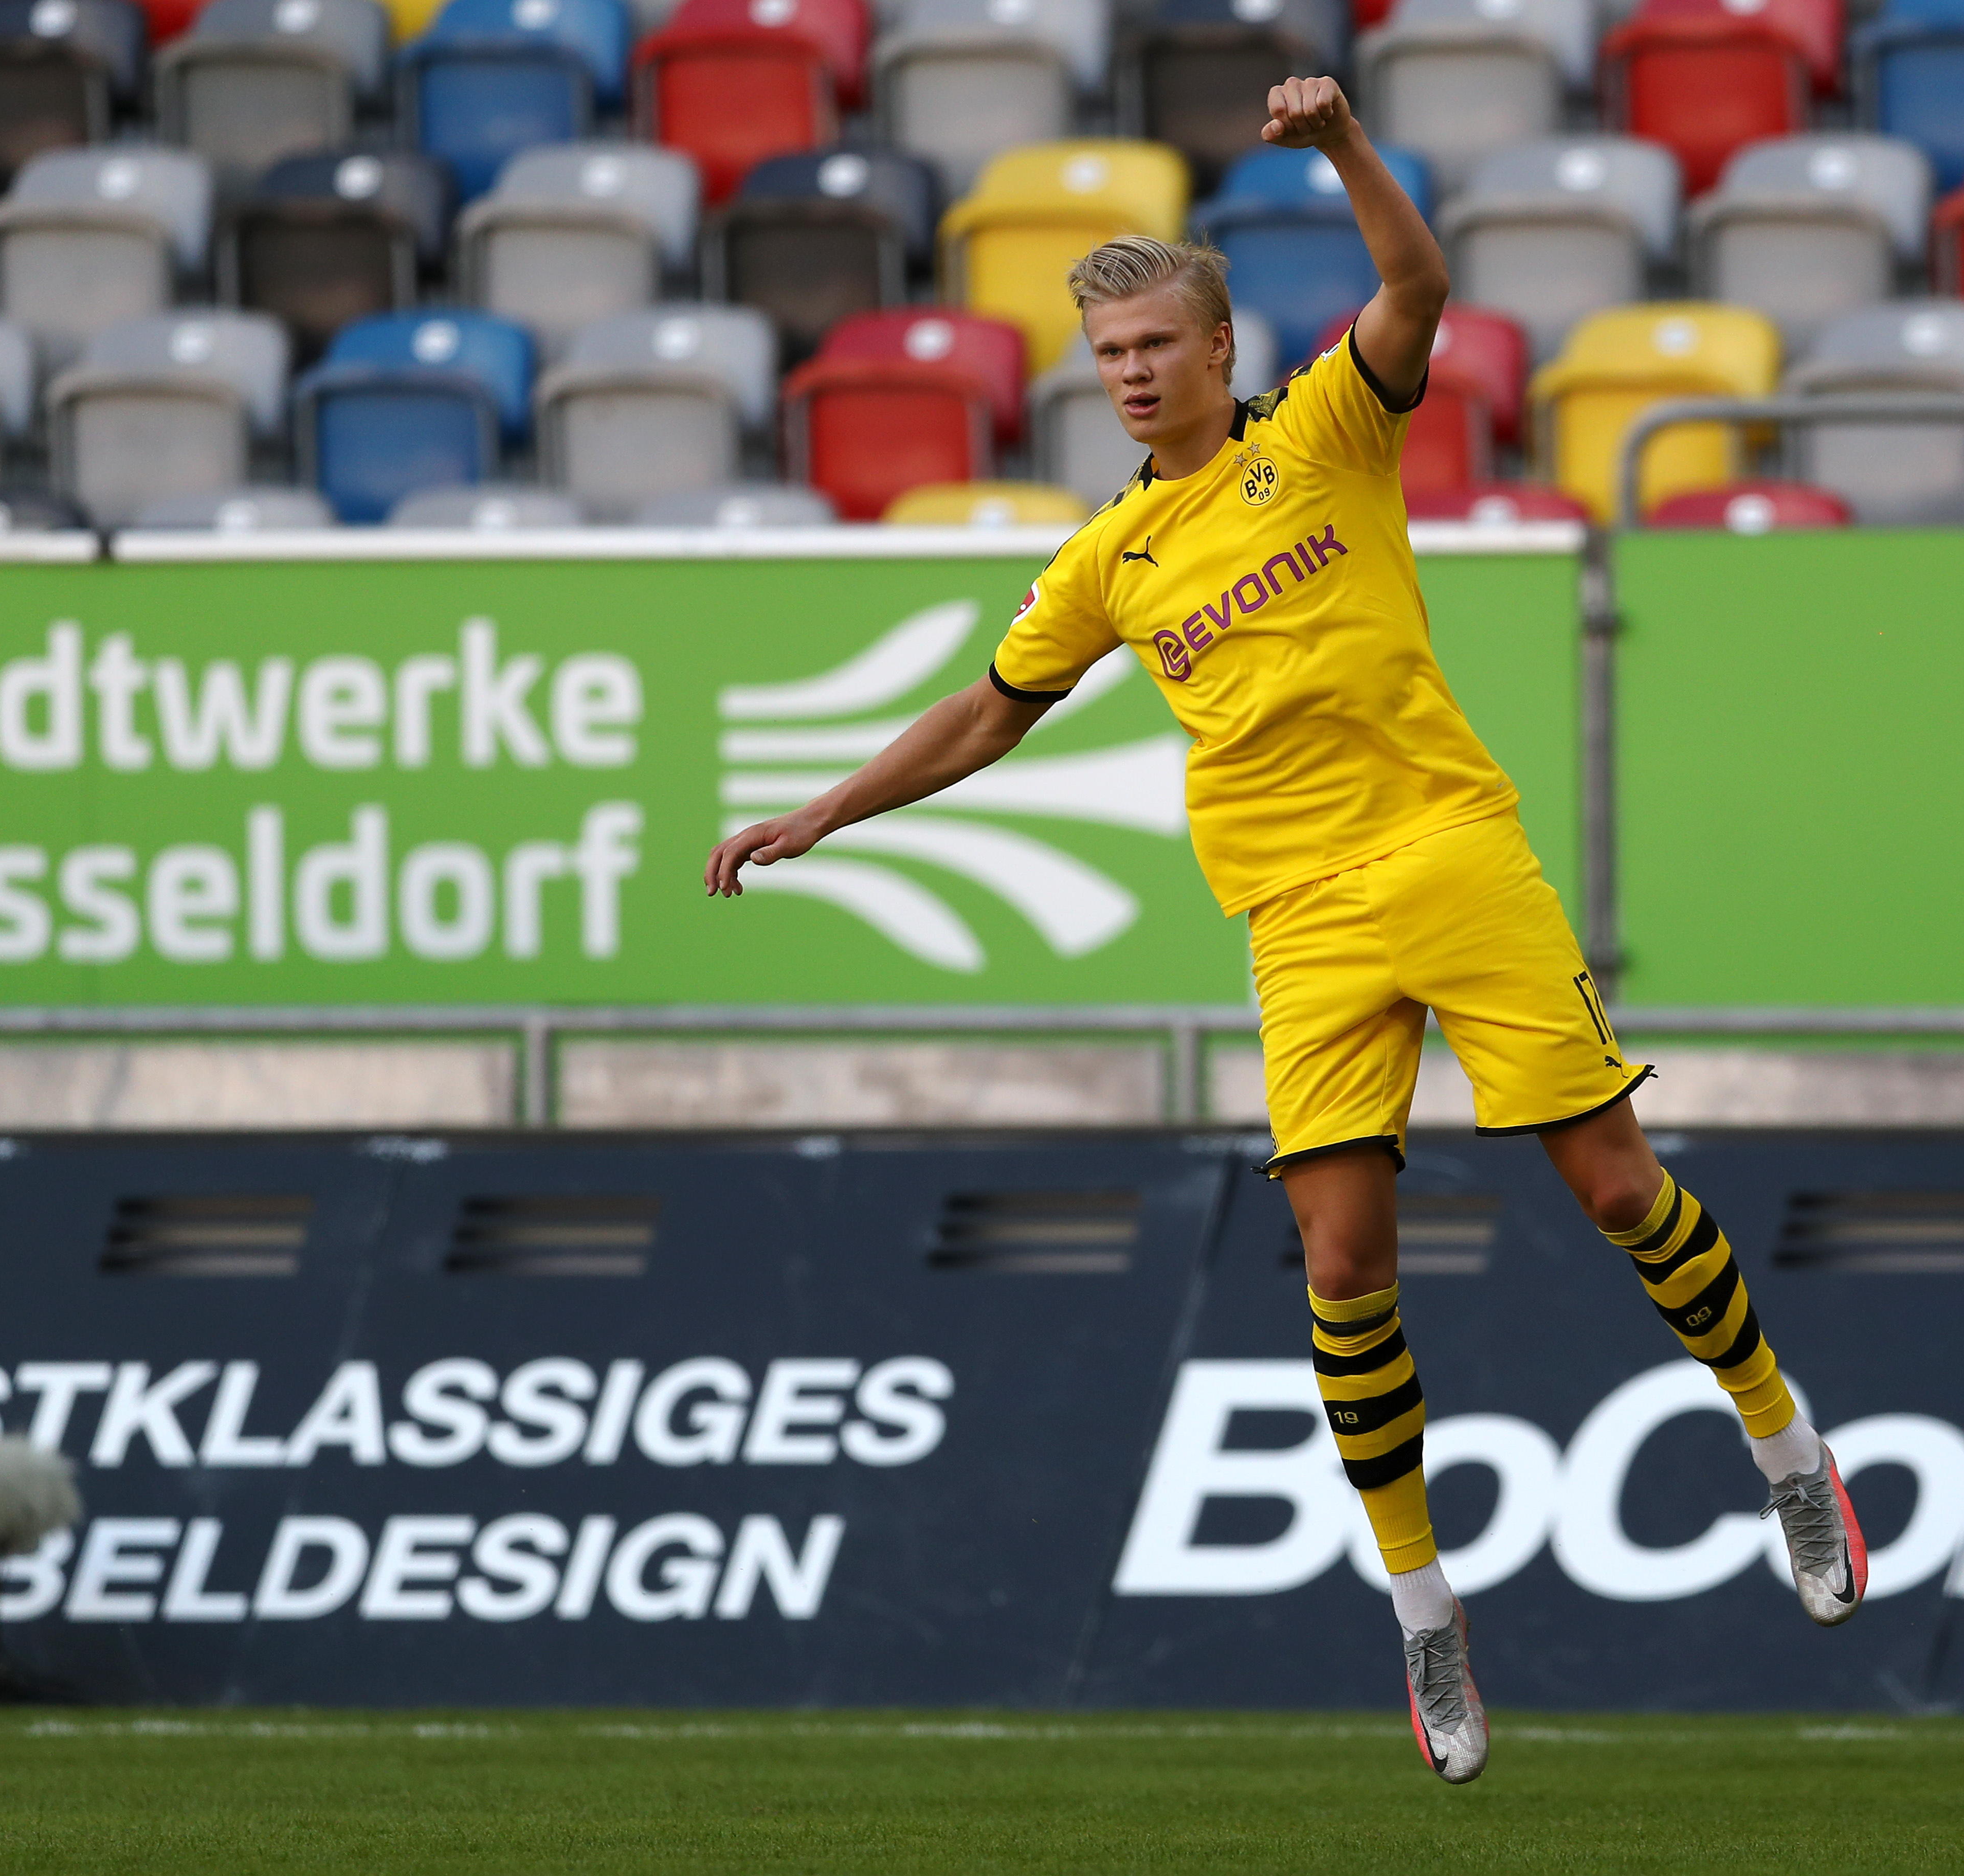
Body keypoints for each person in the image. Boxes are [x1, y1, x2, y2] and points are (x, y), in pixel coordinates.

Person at [707, 76, 1864, 1785]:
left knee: (1616, 1185)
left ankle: (1785, 1446)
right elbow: (987, 711)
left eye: (1156, 343)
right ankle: (1425, 1618)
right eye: (1105, 356)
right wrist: (824, 810)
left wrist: (1338, 151)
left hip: (1448, 848)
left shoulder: (1324, 432)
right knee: (1341, 1264)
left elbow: (1419, 293)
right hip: (1299, 916)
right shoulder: (1112, 555)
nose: (1130, 373)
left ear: (1217, 344)